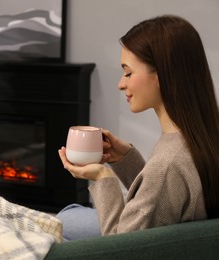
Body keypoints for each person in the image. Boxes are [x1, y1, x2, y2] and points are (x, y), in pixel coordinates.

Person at [56, 14, 219, 241]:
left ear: (163, 74)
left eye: (128, 72)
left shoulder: (168, 164)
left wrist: (103, 177)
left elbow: (121, 248)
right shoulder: (199, 137)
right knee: (67, 217)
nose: (121, 84)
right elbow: (160, 204)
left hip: (127, 246)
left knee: (57, 227)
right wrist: (126, 160)